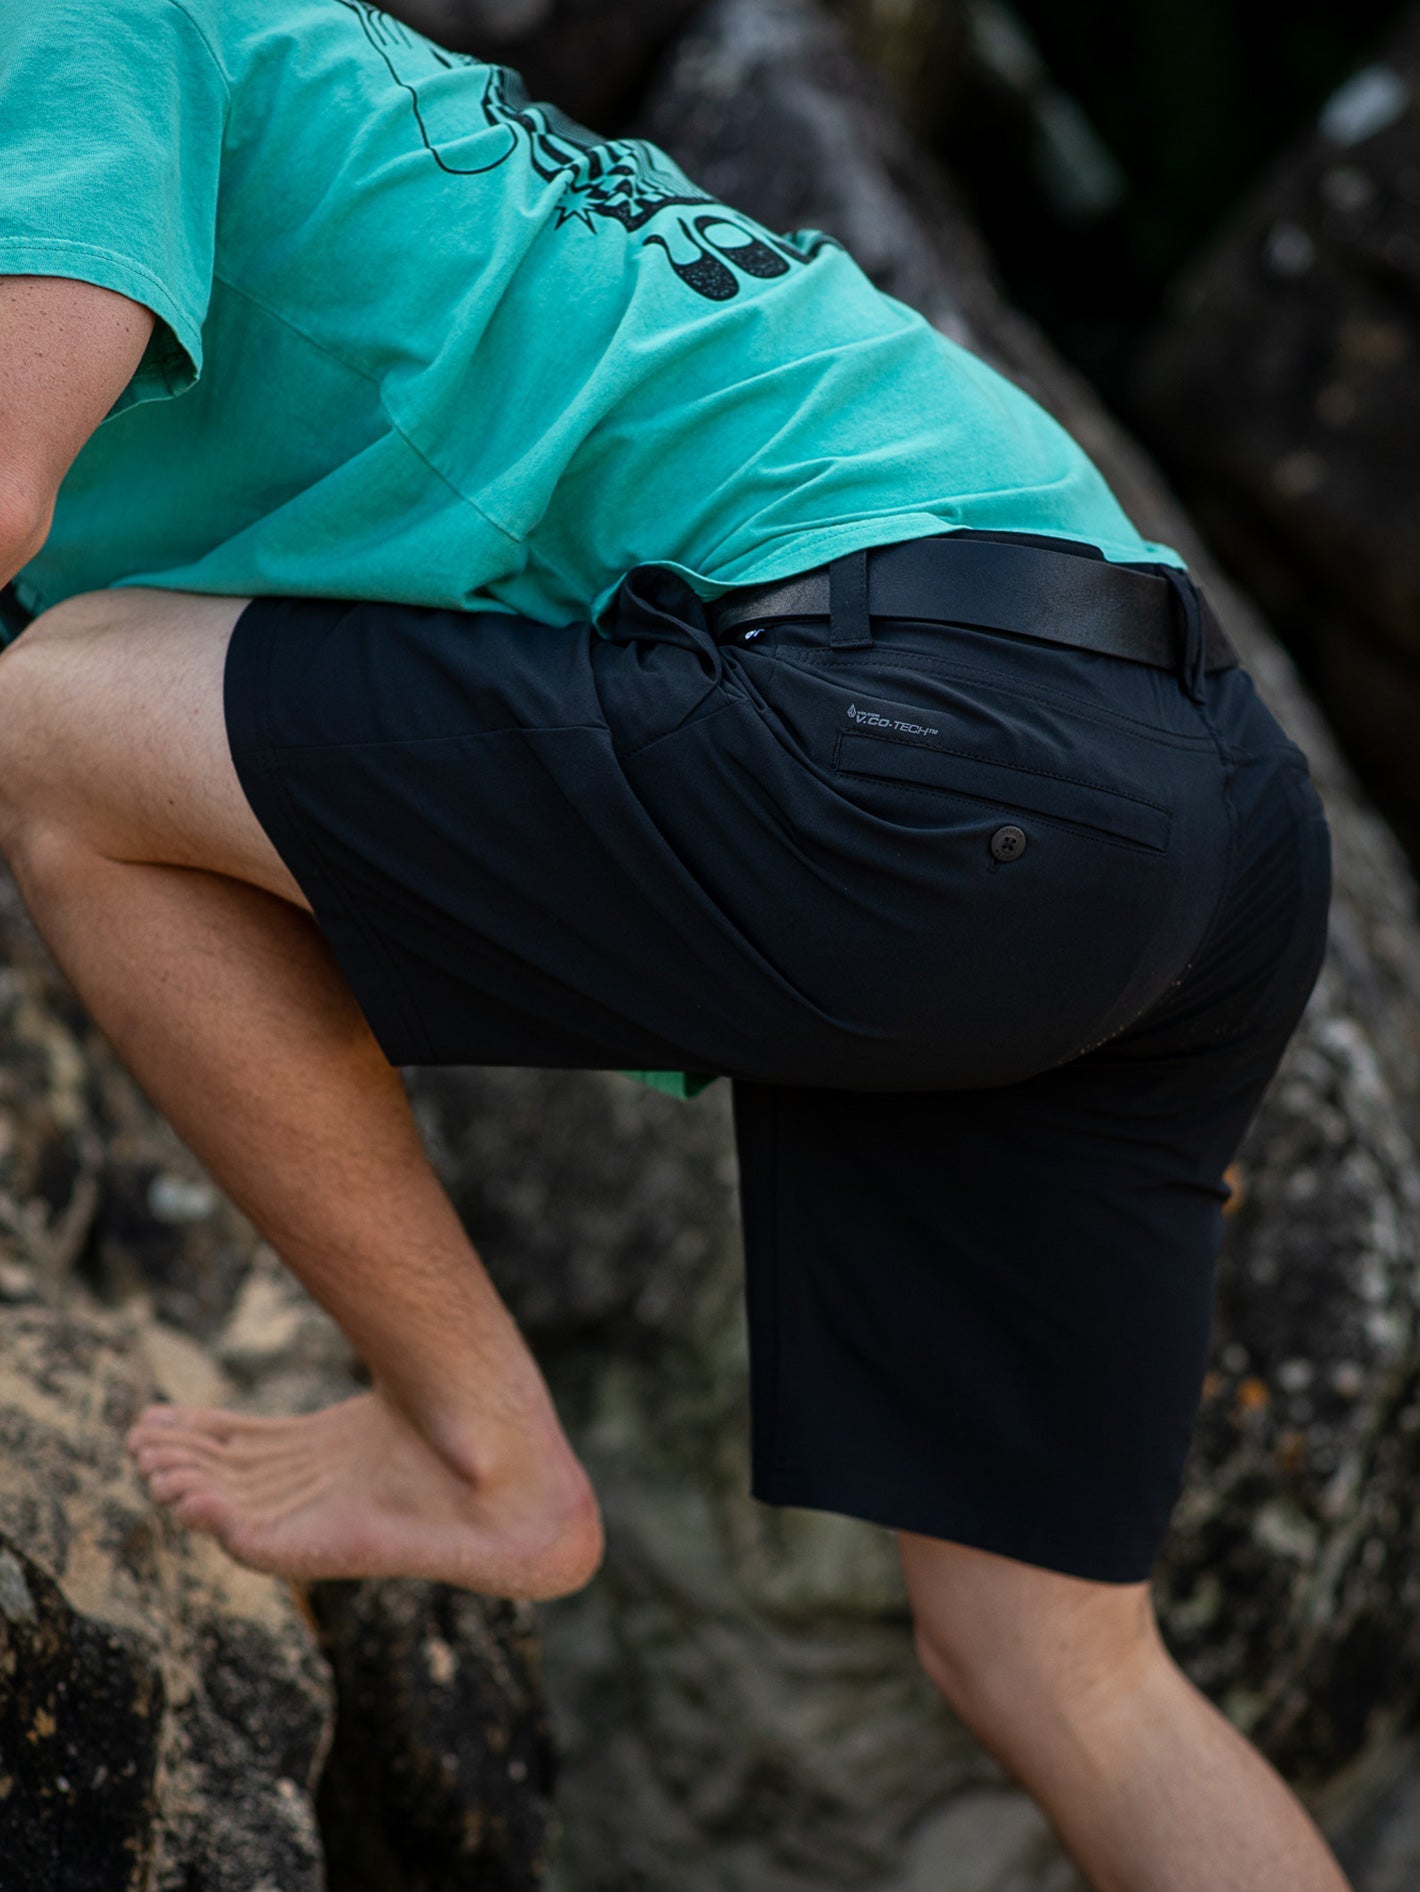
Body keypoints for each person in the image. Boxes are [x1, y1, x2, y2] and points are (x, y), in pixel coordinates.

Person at [0, 2, 1344, 1887]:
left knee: (57, 719)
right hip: (1175, 780)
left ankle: (471, 1443)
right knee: (1058, 1669)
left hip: (925, 743)